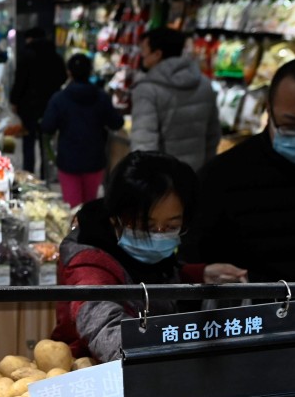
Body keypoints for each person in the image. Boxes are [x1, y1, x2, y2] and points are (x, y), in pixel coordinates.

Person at [193, 56, 295, 397]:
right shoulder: (223, 178)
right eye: (291, 125)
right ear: (270, 113)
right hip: (258, 370)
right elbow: (189, 270)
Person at [52, 151, 246, 363]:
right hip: (90, 372)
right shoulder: (88, 263)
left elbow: (155, 276)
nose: (159, 235)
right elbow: (105, 330)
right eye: (147, 226)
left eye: (172, 226)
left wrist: (200, 275)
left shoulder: (145, 256)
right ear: (115, 219)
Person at [131, 27, 220, 171]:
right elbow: (213, 135)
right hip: (195, 173)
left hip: (163, 179)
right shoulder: (204, 84)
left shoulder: (147, 89)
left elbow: (144, 143)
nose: (141, 56)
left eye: (144, 51)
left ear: (157, 54)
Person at [41, 54, 124, 207]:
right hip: (94, 160)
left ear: (69, 72)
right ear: (90, 71)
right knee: (91, 206)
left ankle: (77, 231)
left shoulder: (59, 98)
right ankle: (90, 231)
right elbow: (116, 123)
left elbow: (47, 126)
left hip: (68, 161)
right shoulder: (102, 97)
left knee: (73, 209)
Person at [10, 28, 68, 179]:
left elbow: (19, 82)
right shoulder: (55, 56)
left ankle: (29, 176)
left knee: (28, 143)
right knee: (46, 142)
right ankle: (46, 175)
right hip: (50, 106)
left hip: (28, 107)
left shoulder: (26, 56)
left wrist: (14, 101)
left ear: (29, 39)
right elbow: (62, 78)